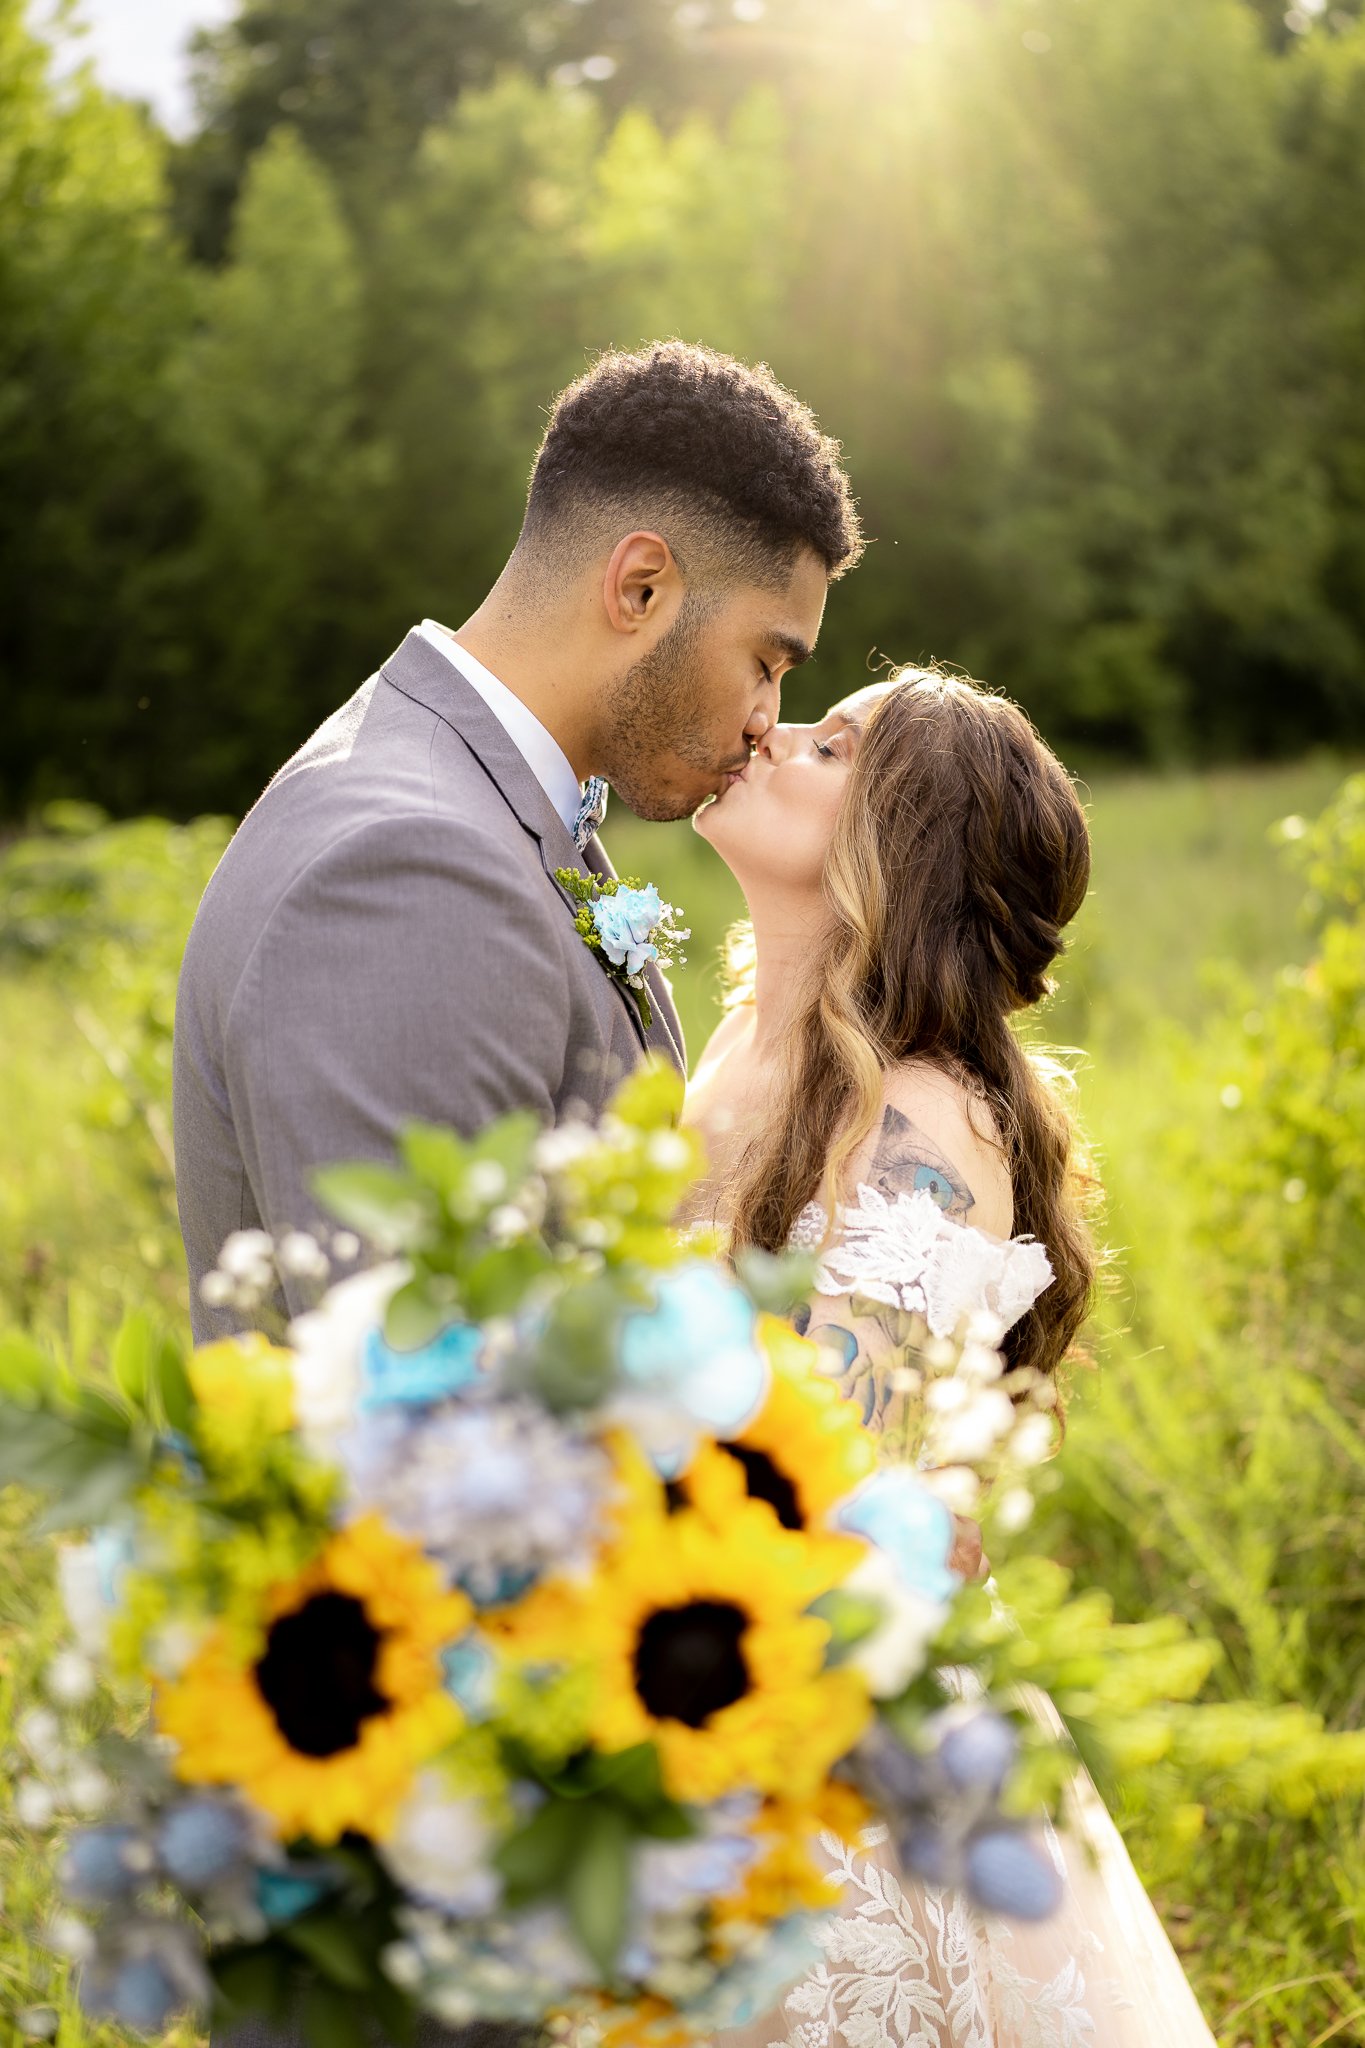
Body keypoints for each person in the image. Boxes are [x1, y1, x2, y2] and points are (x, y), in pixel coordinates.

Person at [685, 669, 1218, 2047]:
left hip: (816, 1714)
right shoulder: (736, 1057)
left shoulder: (929, 1121)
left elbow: (816, 1482)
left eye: (828, 742)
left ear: (896, 841)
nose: (768, 734)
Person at [173, 340, 861, 1344]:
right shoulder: (409, 871)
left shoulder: (484, 801)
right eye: (766, 659)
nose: (768, 716)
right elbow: (429, 1418)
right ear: (639, 589)